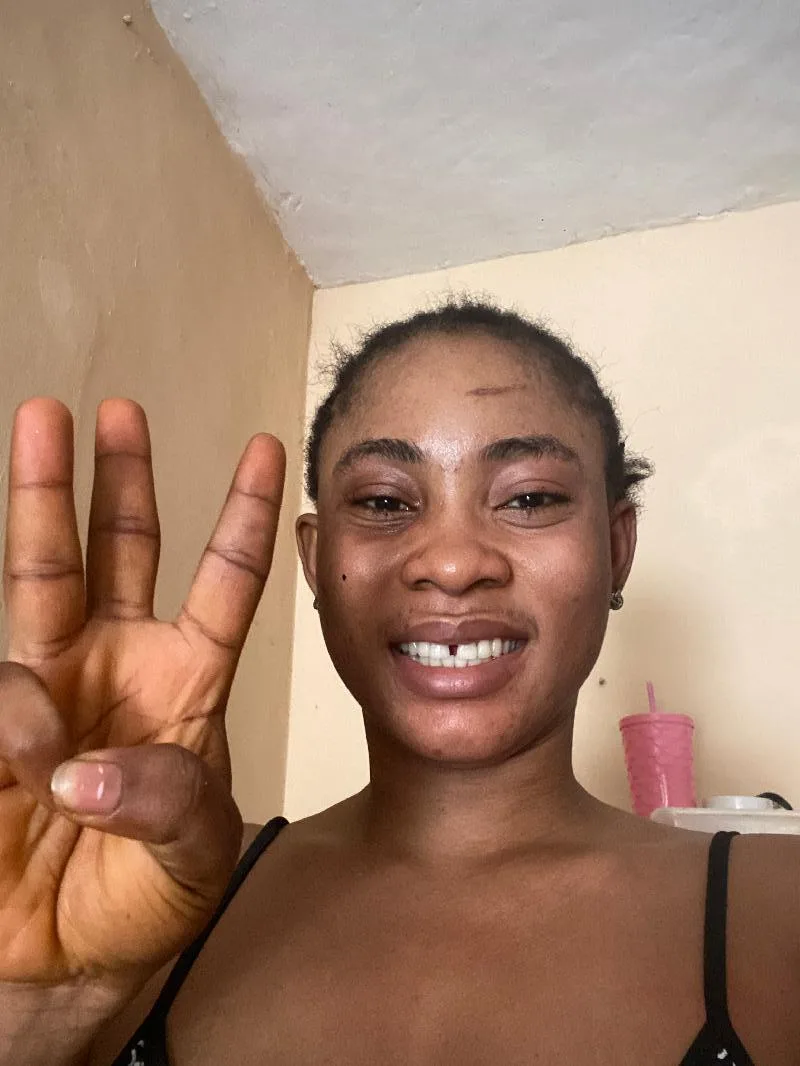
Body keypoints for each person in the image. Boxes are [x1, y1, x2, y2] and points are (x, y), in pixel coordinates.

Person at [1, 299, 798, 1066]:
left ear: (616, 548)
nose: (451, 563)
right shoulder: (147, 897)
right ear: (316, 562)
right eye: (384, 501)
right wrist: (34, 1015)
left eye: (529, 498)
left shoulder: (779, 910)